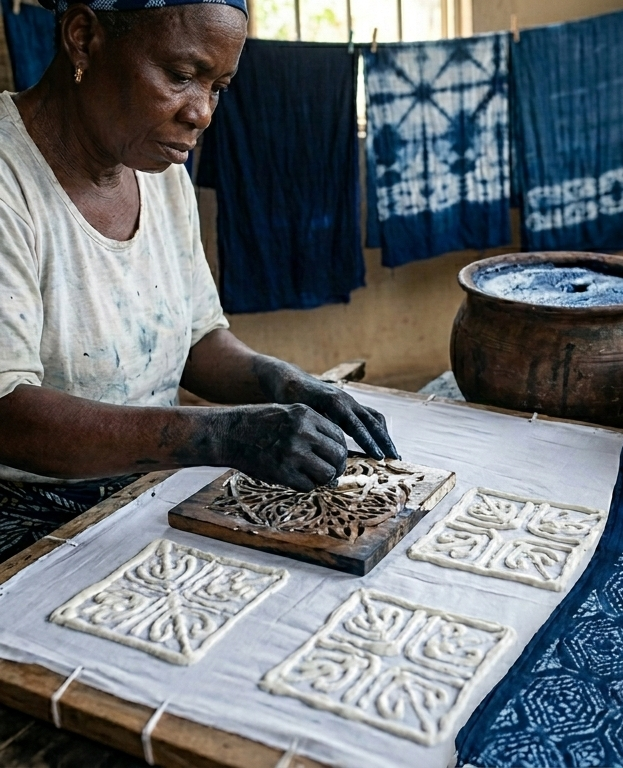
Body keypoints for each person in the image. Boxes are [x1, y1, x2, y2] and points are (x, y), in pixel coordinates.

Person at [0, 0, 399, 562]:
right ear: (84, 38)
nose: (202, 113)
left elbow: (196, 340)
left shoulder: (158, 170)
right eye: (181, 75)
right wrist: (221, 435)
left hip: (148, 488)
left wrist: (286, 384)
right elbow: (10, 416)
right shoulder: (9, 180)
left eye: (218, 88)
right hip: (24, 516)